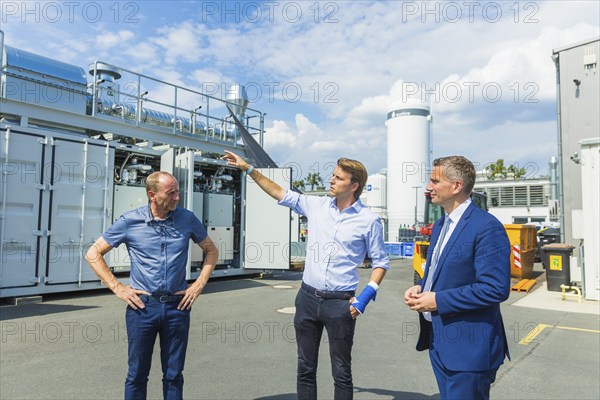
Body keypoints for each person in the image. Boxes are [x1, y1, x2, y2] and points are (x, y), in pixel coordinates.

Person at [222, 151, 389, 400]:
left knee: (341, 371)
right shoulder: (317, 205)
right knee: (305, 368)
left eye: (338, 178)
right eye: (332, 175)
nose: (331, 180)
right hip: (307, 299)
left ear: (354, 185)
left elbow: (381, 262)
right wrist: (248, 169)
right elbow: (279, 192)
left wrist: (366, 295)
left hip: (340, 303)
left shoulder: (369, 221)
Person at [85, 171, 218, 400]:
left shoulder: (187, 219)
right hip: (142, 308)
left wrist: (198, 285)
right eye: (171, 193)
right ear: (152, 195)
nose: (177, 197)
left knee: (174, 375)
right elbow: (93, 253)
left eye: (177, 191)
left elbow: (211, 250)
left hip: (178, 307)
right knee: (137, 374)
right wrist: (118, 287)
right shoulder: (130, 221)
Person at [404, 156, 511, 400]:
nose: (428, 187)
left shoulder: (486, 227)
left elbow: (495, 289)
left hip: (469, 350)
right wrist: (421, 287)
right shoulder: (442, 225)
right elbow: (442, 273)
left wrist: (438, 300)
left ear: (456, 186)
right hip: (440, 342)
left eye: (434, 181)